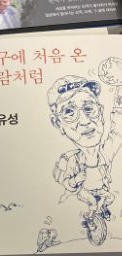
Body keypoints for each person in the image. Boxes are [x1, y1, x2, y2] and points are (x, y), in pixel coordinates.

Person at [49, 72, 122, 225]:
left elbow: (118, 131)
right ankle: (89, 219)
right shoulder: (70, 160)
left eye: (89, 108)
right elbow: (64, 181)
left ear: (100, 111)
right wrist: (76, 180)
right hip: (84, 194)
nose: (84, 121)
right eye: (69, 113)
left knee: (108, 199)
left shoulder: (105, 154)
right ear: (58, 124)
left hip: (100, 190)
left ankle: (103, 213)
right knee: (92, 204)